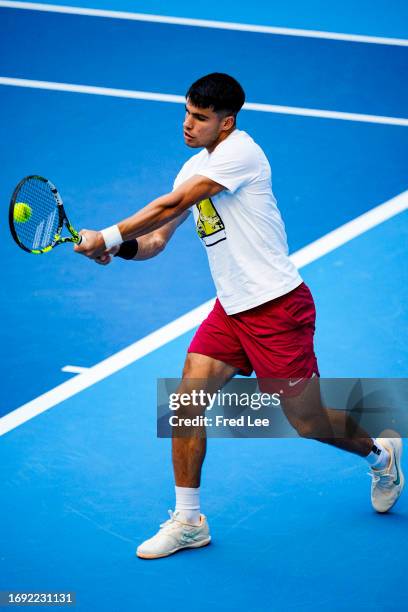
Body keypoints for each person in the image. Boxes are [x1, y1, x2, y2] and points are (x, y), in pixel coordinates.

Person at [75, 73, 404, 560]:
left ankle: (381, 456)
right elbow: (158, 241)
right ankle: (189, 520)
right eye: (186, 113)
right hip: (231, 310)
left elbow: (174, 202)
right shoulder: (192, 166)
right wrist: (120, 249)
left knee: (307, 421)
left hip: (277, 308)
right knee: (186, 403)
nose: (188, 124)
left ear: (226, 123)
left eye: (201, 118)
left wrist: (103, 234)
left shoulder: (242, 153)